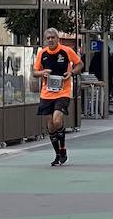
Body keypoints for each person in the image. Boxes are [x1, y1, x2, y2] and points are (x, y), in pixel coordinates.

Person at [33, 28, 81, 166]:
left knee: (57, 119)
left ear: (57, 38)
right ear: (45, 39)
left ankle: (63, 148)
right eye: (48, 38)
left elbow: (79, 64)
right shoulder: (42, 53)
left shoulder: (66, 51)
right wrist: (42, 72)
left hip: (63, 92)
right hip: (46, 93)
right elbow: (35, 72)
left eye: (53, 37)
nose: (50, 40)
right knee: (50, 125)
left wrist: (71, 73)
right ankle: (57, 154)